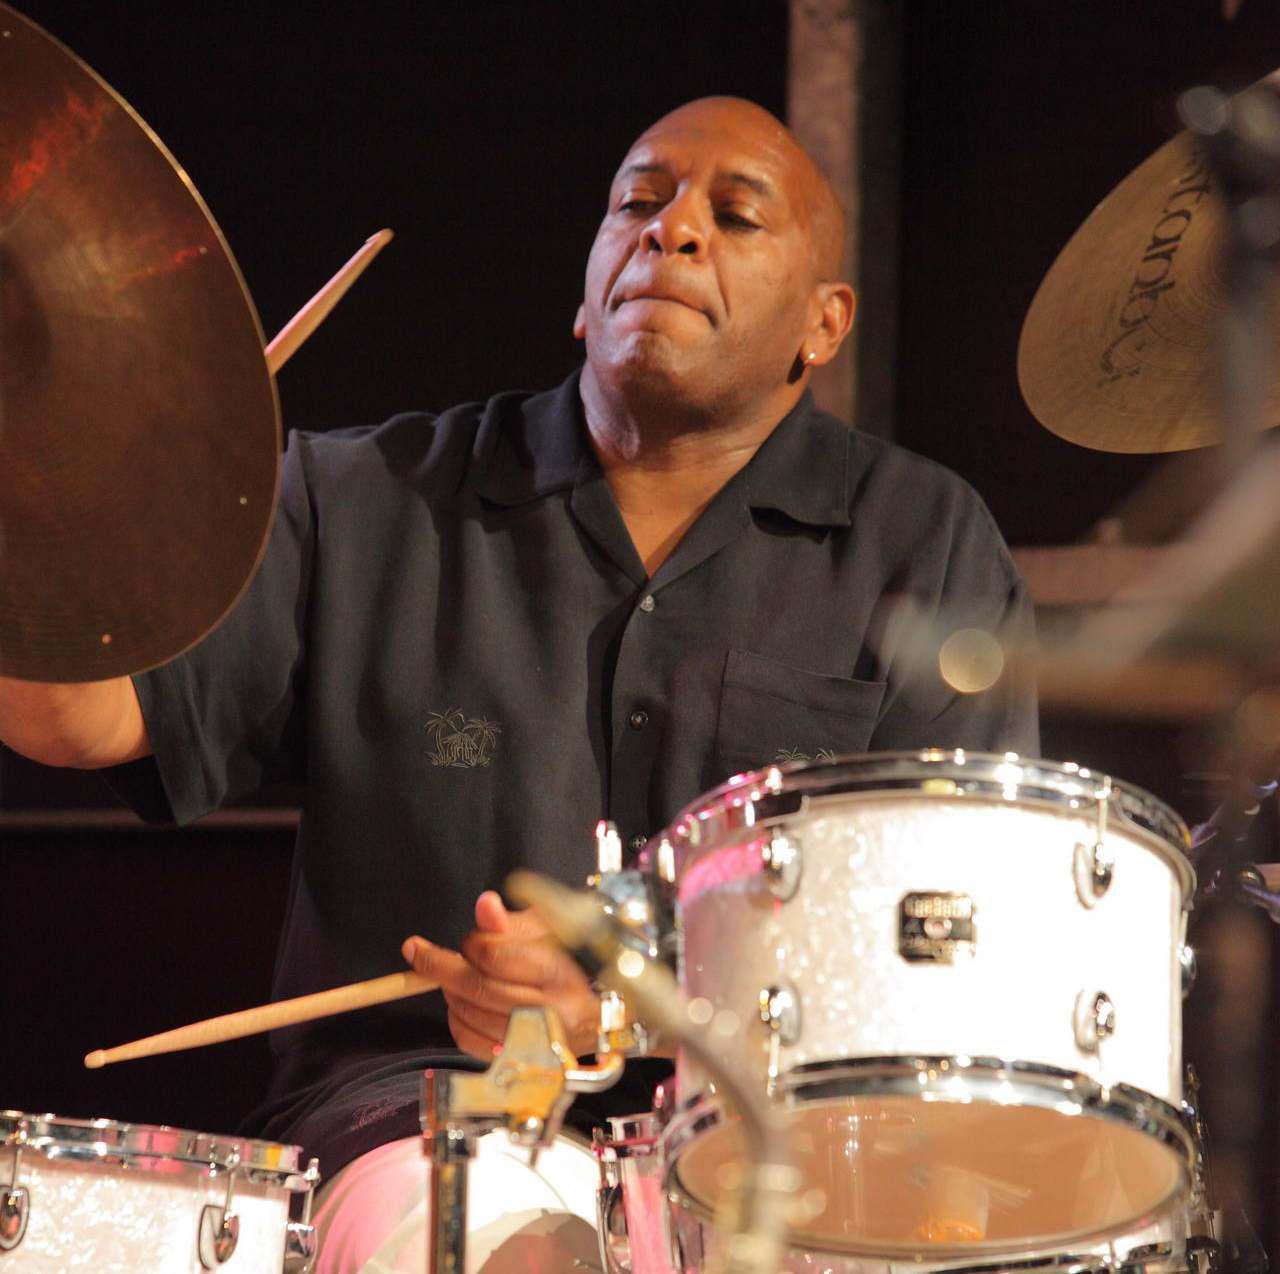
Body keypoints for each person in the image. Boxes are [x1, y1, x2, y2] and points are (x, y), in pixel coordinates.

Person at [0, 96, 1037, 1269]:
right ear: (584, 293)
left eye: (735, 215)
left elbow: (954, 951)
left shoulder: (923, 542)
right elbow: (76, 717)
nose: (670, 230)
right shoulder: (363, 496)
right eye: (636, 204)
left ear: (823, 322)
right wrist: (31, 501)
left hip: (780, 1140)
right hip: (429, 1116)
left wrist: (629, 1011)